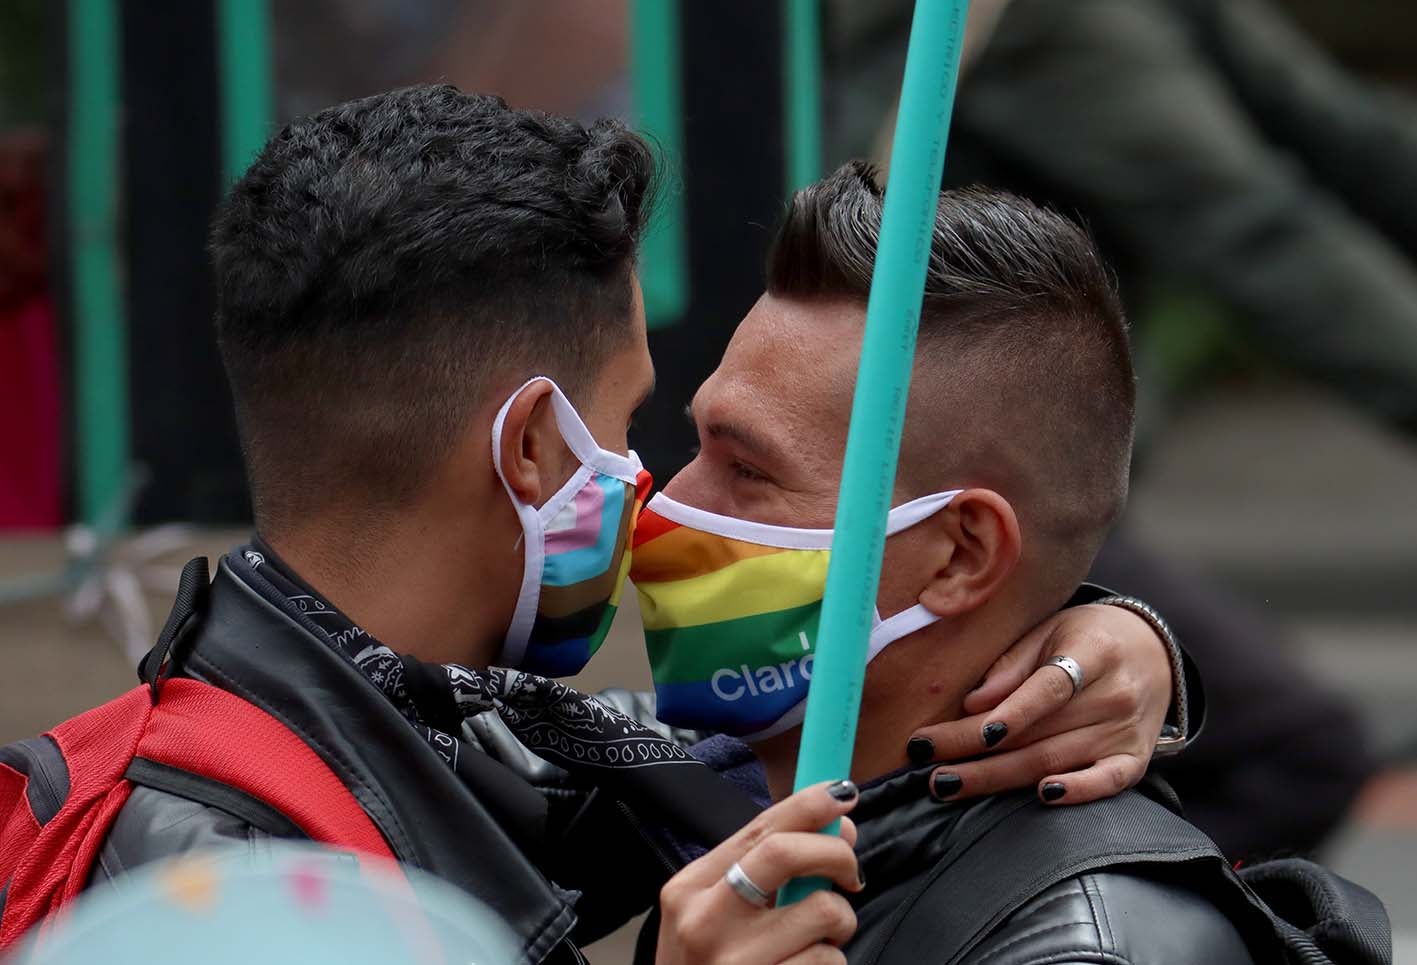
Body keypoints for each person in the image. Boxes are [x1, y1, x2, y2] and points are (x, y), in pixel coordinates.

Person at [23, 88, 1186, 963]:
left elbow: (698, 754)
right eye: (631, 428)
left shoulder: (442, 737)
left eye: (741, 466)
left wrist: (1108, 638)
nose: (660, 499)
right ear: (533, 446)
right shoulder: (244, 900)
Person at [633, 166, 1261, 962]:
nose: (664, 508)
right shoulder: (707, 794)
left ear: (961, 555)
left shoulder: (1082, 950)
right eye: (697, 445)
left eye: (749, 471)